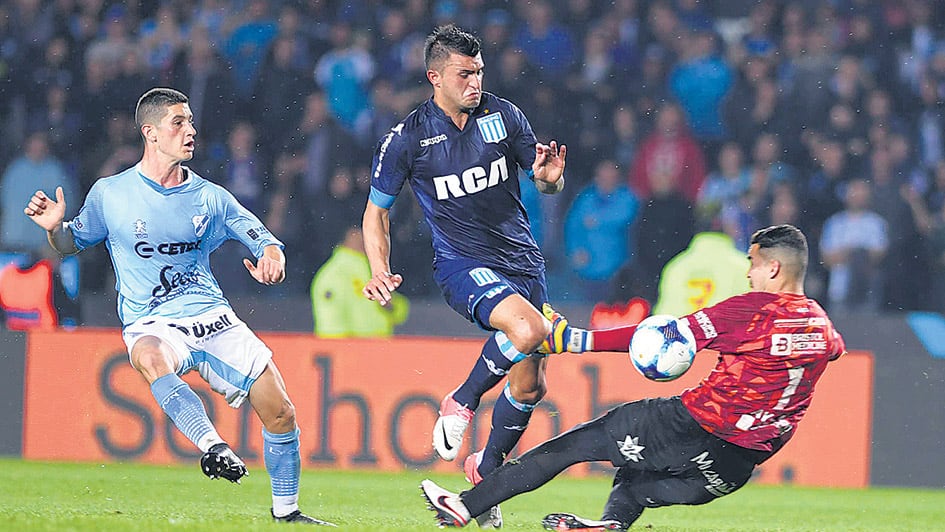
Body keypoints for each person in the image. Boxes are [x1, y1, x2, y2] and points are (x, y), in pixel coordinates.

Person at [22, 88, 333, 526]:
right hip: (152, 320)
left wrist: (273, 260)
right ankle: (213, 446)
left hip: (212, 316)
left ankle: (287, 513)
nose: (190, 130)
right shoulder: (111, 194)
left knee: (281, 411)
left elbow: (263, 237)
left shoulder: (210, 198)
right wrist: (56, 229)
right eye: (179, 122)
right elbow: (72, 242)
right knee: (150, 356)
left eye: (190, 121)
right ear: (150, 133)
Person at [421, 224, 846, 531]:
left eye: (752, 264)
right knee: (635, 480)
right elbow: (833, 350)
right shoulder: (823, 327)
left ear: (773, 268)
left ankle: (463, 506)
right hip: (731, 470)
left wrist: (571, 339)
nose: (748, 273)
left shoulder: (754, 309)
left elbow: (662, 338)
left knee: (571, 446)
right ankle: (611, 525)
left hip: (694, 427)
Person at [361, 25, 568, 528]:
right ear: (435, 77)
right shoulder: (408, 138)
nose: (475, 82)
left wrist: (549, 178)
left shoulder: (504, 116)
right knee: (530, 330)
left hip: (523, 262)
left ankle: (485, 473)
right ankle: (462, 398)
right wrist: (379, 268)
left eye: (479, 71)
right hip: (461, 264)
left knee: (530, 387)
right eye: (463, 73)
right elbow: (376, 214)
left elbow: (545, 184)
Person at [311, 225, 409, 337]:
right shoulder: (334, 274)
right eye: (360, 235)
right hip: (354, 351)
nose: (364, 240)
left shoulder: (371, 269)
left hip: (379, 349)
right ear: (347, 237)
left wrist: (388, 306)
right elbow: (330, 324)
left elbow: (400, 311)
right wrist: (345, 350)